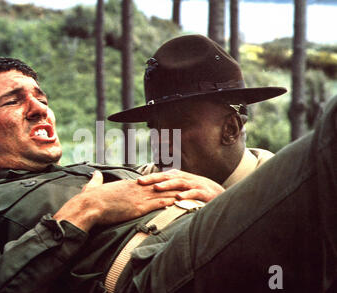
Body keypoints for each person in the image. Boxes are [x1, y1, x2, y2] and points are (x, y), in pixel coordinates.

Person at [0, 56, 336, 293]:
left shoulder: (101, 171)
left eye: (41, 98)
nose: (39, 108)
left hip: (210, 238)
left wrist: (219, 196)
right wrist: (78, 216)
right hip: (149, 275)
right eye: (14, 100)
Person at [108, 34, 287, 189]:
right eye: (154, 127)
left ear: (231, 129)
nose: (160, 140)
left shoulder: (278, 191)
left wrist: (220, 203)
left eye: (179, 124)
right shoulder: (147, 180)